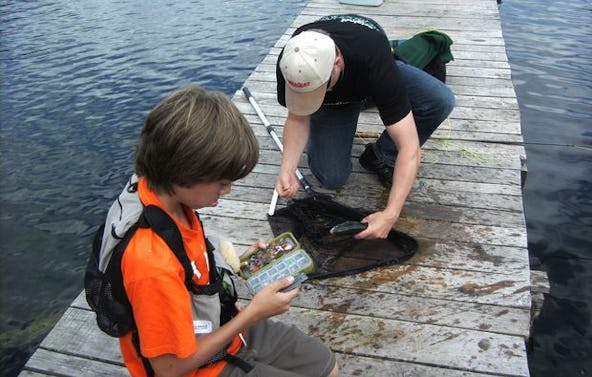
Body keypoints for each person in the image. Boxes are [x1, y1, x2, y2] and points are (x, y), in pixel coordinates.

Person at [116, 86, 339, 377]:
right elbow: (169, 368)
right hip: (194, 366)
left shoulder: (162, 195)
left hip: (219, 323)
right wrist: (252, 314)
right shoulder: (150, 264)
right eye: (221, 182)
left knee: (326, 367)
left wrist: (237, 263)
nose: (228, 190)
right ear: (182, 173)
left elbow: (187, 267)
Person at [275, 14, 455, 240]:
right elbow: (298, 118)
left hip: (369, 64)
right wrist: (287, 168)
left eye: (319, 87)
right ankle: (337, 112)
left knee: (439, 100)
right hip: (339, 97)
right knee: (332, 177)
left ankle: (381, 154)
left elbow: (410, 147)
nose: (313, 95)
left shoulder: (372, 59)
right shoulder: (293, 61)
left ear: (337, 63)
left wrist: (390, 214)